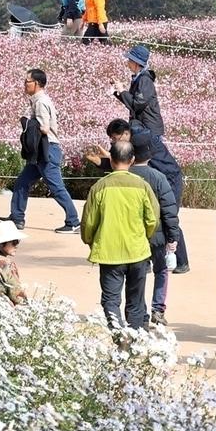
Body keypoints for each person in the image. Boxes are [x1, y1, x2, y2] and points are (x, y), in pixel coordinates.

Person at [89, 117, 188, 272]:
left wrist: (107, 159)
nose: (113, 142)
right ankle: (145, 261)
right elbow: (124, 163)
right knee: (144, 215)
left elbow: (127, 163)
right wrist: (101, 161)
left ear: (125, 134)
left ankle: (181, 261)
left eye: (115, 139)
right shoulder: (129, 141)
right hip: (152, 177)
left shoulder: (140, 139)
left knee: (168, 216)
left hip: (169, 178)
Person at [81, 140, 158, 330]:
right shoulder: (142, 186)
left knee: (111, 299)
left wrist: (90, 240)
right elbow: (152, 219)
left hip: (109, 252)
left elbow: (89, 222)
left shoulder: (100, 187)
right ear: (132, 160)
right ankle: (135, 338)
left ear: (111, 160)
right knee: (136, 301)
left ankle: (119, 338)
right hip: (137, 251)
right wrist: (144, 236)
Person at [10, 68, 81, 233]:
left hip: (47, 149)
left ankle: (74, 222)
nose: (24, 84)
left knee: (56, 188)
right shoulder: (38, 100)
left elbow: (44, 128)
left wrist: (28, 123)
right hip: (42, 150)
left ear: (37, 83)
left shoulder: (41, 102)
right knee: (22, 182)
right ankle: (17, 218)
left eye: (27, 81)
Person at [131, 132, 179, 326]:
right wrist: (173, 237)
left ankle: (140, 310)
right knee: (162, 271)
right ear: (150, 155)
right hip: (158, 235)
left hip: (134, 235)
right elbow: (169, 210)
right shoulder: (159, 178)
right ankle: (157, 309)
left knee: (138, 272)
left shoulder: (126, 176)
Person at [112, 44, 165, 137]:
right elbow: (132, 102)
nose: (128, 63)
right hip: (143, 128)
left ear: (136, 63)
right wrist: (118, 92)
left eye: (130, 60)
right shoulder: (139, 78)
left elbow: (137, 104)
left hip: (150, 130)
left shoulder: (145, 80)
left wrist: (122, 90)